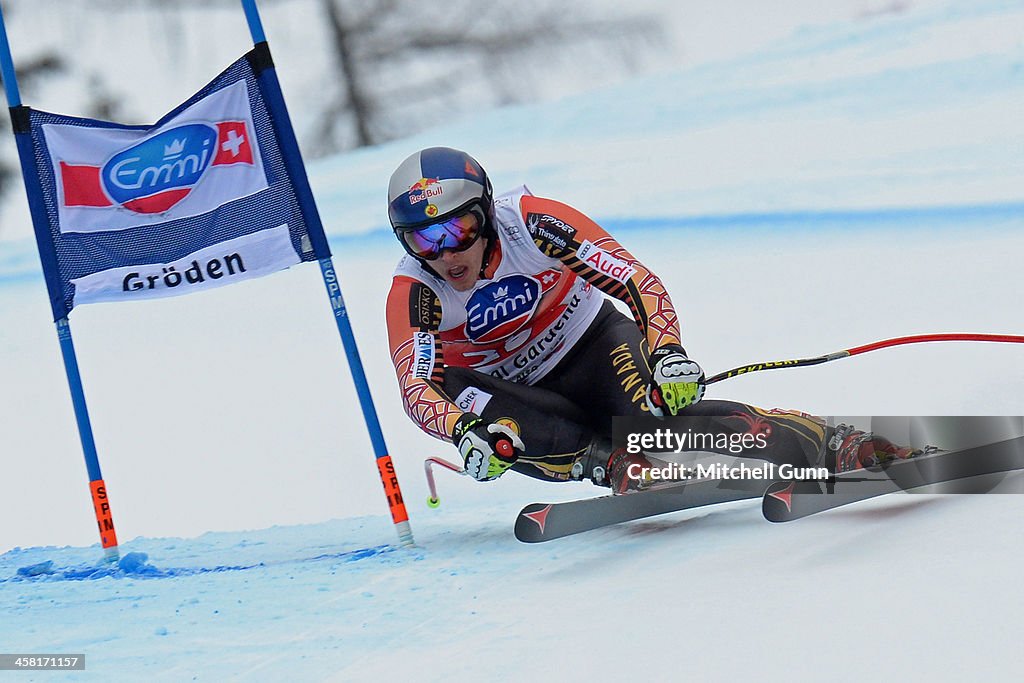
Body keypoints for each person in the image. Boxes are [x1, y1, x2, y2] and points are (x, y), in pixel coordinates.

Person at [384, 147, 917, 493]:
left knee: (653, 421)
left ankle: (833, 443)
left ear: (485, 211)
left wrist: (667, 356)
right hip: (515, 392)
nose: (447, 254)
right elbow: (417, 388)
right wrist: (463, 430)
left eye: (461, 230)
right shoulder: (417, 290)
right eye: (424, 240)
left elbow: (637, 282)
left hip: (589, 345)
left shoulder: (531, 222)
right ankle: (612, 466)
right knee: (482, 419)